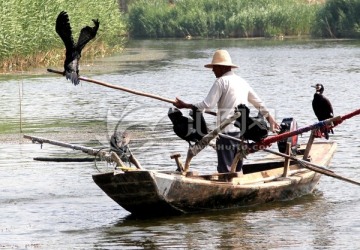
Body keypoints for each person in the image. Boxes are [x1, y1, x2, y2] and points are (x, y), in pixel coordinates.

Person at [174, 49, 279, 173]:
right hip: (241, 134)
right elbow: (258, 103)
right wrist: (270, 118)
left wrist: (185, 105)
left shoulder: (221, 82)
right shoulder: (242, 82)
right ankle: (237, 187)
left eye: (214, 67)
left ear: (221, 67)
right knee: (236, 169)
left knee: (225, 171)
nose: (213, 70)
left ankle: (227, 189)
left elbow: (207, 105)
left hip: (226, 133)